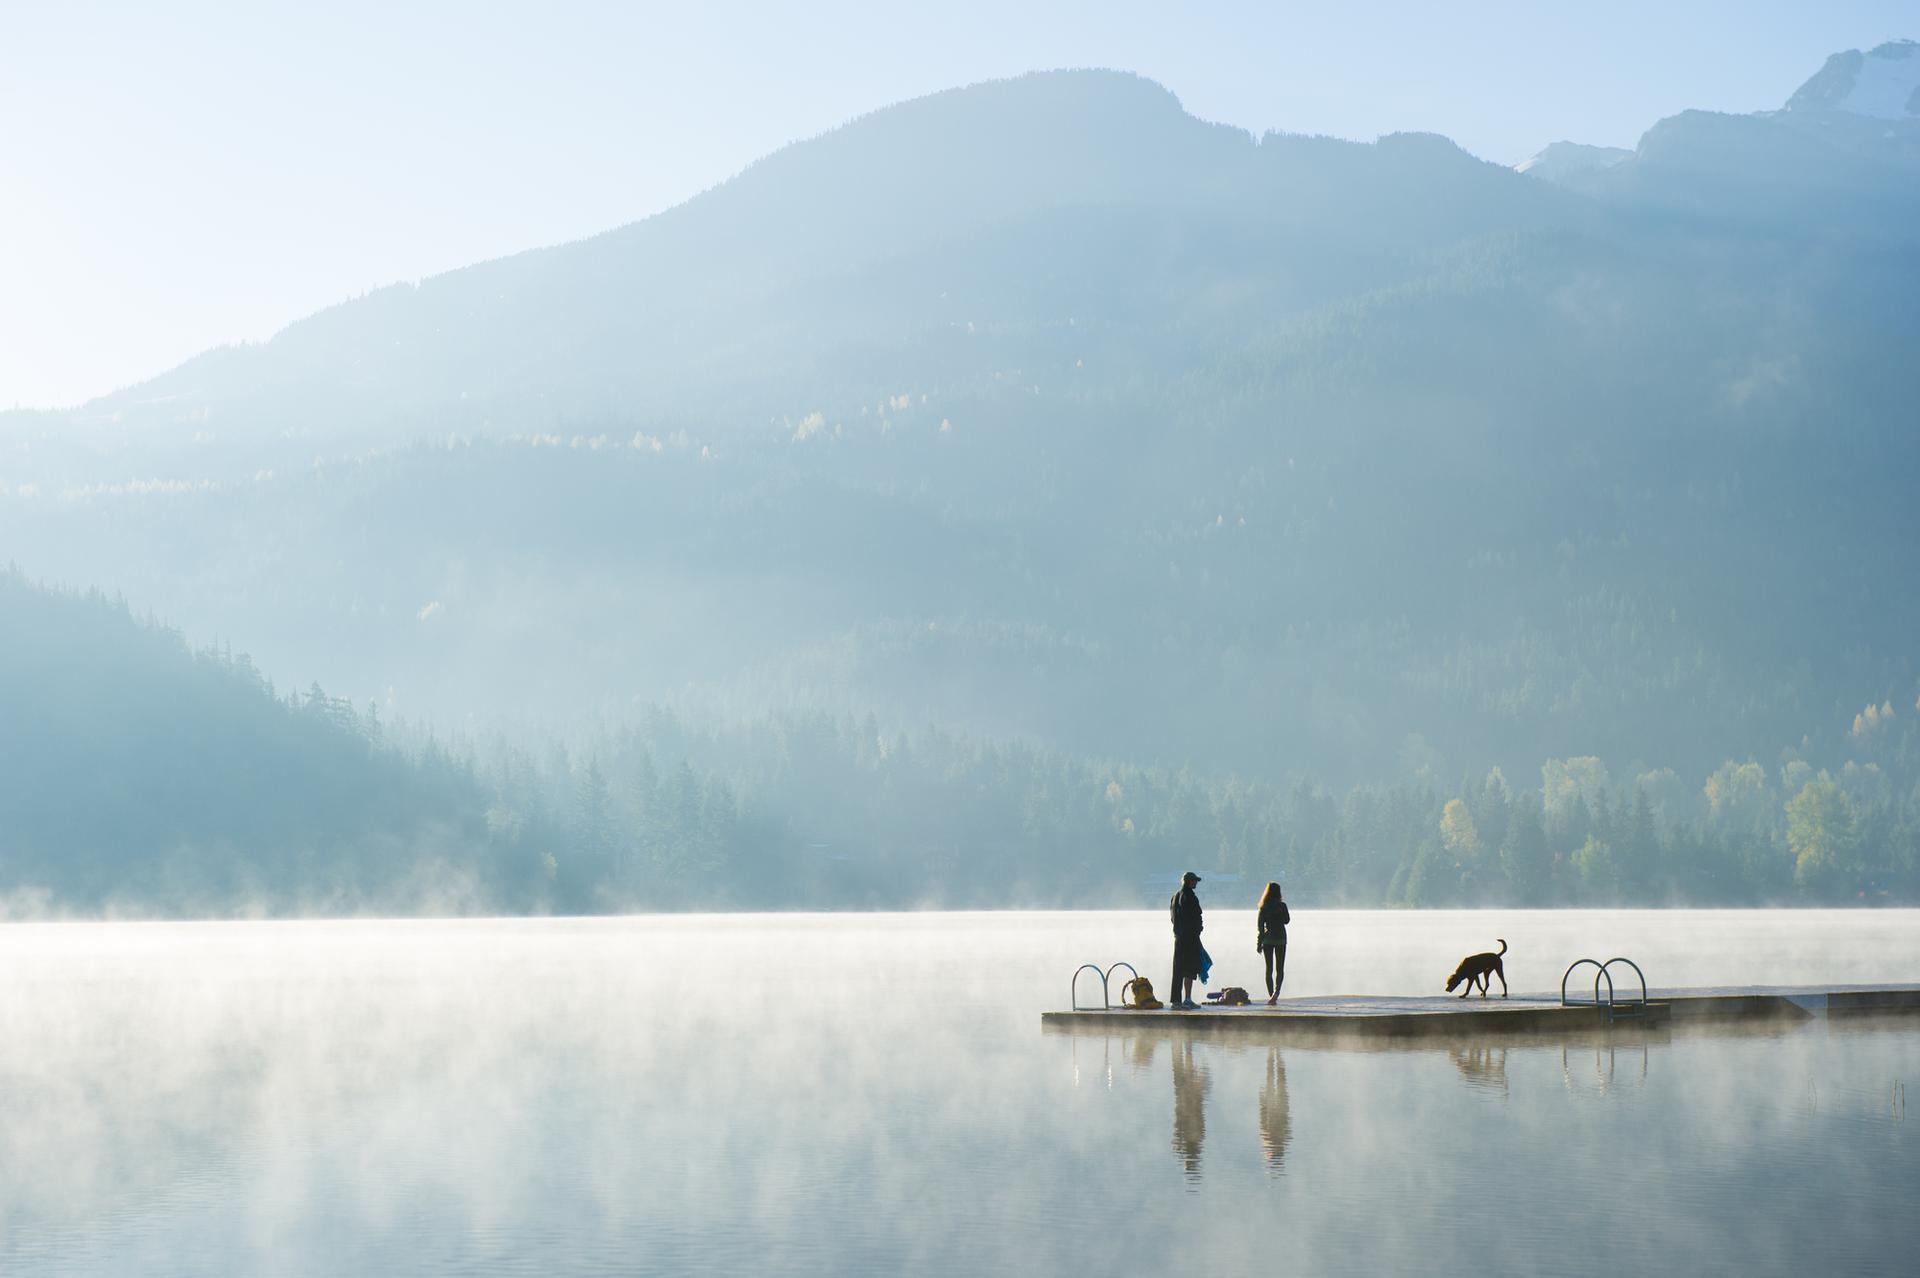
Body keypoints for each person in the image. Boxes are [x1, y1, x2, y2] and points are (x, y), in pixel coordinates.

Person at [1168, 871, 1204, 1009]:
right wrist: (1198, 929)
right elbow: (1195, 916)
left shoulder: (1175, 897)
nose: (1196, 883)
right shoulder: (1190, 896)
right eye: (1195, 881)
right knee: (1190, 968)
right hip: (1190, 938)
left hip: (1178, 937)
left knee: (1178, 969)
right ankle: (1187, 999)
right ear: (1189, 882)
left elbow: (1173, 918)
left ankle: (1175, 1000)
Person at [1256, 881, 1290, 1005]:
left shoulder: (1263, 907)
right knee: (1280, 968)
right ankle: (1276, 992)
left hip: (1268, 940)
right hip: (1281, 938)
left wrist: (1259, 943)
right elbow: (1287, 921)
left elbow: (1260, 927)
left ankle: (1271, 995)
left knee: (1268, 969)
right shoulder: (1282, 905)